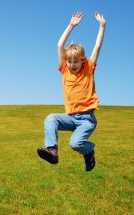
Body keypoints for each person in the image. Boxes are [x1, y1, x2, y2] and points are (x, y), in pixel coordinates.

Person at [37, 11, 106, 171]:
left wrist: (102, 26)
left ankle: (89, 151)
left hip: (87, 119)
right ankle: (52, 150)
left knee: (75, 144)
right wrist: (71, 26)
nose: (72, 64)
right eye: (69, 61)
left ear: (83, 60)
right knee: (51, 118)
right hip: (70, 118)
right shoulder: (64, 70)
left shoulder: (88, 69)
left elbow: (97, 46)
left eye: (76, 61)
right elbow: (60, 45)